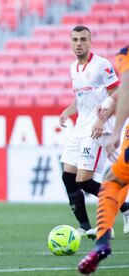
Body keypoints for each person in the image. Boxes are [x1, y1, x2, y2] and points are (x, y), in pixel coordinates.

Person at [59, 26, 129, 239]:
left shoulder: (102, 65)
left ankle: (124, 208)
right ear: (71, 43)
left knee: (84, 180)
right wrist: (68, 111)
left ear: (90, 42)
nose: (78, 43)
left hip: (98, 129)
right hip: (80, 127)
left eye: (83, 39)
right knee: (68, 177)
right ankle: (85, 226)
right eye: (75, 39)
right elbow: (81, 97)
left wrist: (102, 119)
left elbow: (117, 93)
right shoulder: (73, 68)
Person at [78, 45, 129, 274]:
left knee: (112, 181)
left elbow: (125, 90)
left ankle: (102, 244)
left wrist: (116, 130)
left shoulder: (125, 54)